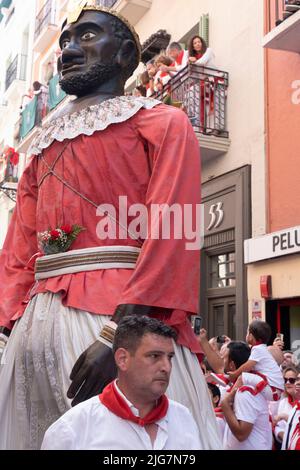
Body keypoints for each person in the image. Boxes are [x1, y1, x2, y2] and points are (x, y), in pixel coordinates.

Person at [0, 2, 221, 450]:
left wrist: (120, 338)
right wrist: (6, 328)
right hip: (34, 333)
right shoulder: (41, 147)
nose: (67, 49)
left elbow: (173, 237)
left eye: (85, 36)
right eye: (65, 41)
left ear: (124, 54)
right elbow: (19, 252)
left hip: (117, 324)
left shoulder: (162, 123)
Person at [41, 316, 202, 450]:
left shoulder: (183, 418)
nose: (166, 367)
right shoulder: (72, 429)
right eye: (154, 356)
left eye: (170, 357)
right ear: (122, 359)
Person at [221, 341, 273, 450]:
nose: (222, 361)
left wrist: (225, 405)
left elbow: (241, 434)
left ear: (232, 365)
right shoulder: (242, 388)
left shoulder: (246, 391)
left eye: (224, 358)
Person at [228, 320, 284, 401]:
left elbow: (247, 366)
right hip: (274, 389)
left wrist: (234, 374)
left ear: (251, 336)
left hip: (272, 389)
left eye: (247, 332)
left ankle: (229, 398)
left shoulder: (258, 349)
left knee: (242, 377)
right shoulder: (261, 348)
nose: (246, 335)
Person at [273, 366, 299, 444]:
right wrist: (284, 436)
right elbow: (278, 427)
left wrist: (284, 416)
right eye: (285, 380)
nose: (287, 383)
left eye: (291, 380)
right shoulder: (283, 402)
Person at [281, 371, 300, 450]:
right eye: (298, 379)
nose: (298, 383)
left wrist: (284, 417)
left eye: (292, 380)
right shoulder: (296, 407)